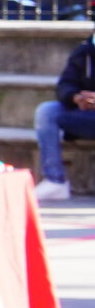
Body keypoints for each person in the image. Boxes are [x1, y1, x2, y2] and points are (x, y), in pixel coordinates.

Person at [32, 27, 95, 203]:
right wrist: (76, 98)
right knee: (47, 111)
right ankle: (55, 181)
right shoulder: (85, 52)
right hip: (86, 116)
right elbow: (65, 85)